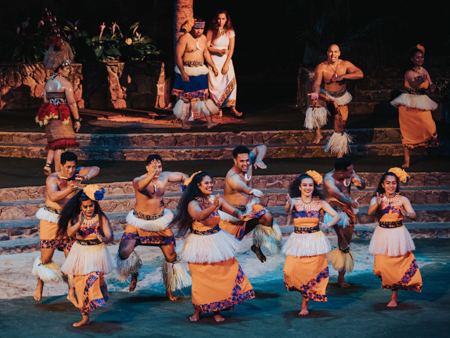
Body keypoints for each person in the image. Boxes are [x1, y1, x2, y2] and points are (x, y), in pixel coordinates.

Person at [171, 172, 255, 322]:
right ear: (198, 186)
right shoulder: (192, 203)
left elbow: (233, 210)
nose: (210, 185)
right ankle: (197, 310)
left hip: (217, 240)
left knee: (220, 276)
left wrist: (242, 216)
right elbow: (200, 216)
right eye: (206, 183)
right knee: (201, 279)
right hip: (198, 244)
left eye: (211, 182)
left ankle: (216, 311)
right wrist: (214, 207)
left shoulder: (216, 200)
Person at [115, 154, 190, 300]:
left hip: (160, 222)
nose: (157, 170)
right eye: (154, 167)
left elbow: (182, 175)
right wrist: (151, 174)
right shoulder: (138, 180)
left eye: (160, 166)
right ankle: (134, 273)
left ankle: (169, 291)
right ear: (147, 167)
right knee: (124, 252)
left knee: (172, 257)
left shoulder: (165, 177)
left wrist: (186, 181)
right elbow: (141, 186)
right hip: (138, 223)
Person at [32, 151, 100, 304]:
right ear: (61, 166)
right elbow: (53, 196)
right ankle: (40, 282)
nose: (70, 170)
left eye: (73, 167)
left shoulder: (77, 173)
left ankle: (71, 292)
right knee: (46, 258)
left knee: (72, 259)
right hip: (50, 220)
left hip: (68, 220)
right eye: (68, 167)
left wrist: (87, 177)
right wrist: (71, 188)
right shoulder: (52, 178)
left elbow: (96, 168)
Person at [283, 172, 340, 315]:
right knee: (290, 270)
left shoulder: (320, 203)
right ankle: (301, 293)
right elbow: (287, 209)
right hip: (298, 240)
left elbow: (337, 216)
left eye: (310, 185)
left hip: (315, 240)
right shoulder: (294, 201)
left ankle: (304, 305)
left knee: (311, 273)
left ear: (314, 187)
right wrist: (288, 203)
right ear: (300, 187)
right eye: (305, 185)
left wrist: (328, 224)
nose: (308, 188)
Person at [58, 185, 116, 327]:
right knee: (79, 284)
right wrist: (79, 223)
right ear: (80, 207)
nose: (89, 209)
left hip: (96, 252)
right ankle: (85, 317)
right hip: (80, 251)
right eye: (85, 207)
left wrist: (104, 237)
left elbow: (110, 235)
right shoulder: (76, 218)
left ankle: (102, 287)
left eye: (91, 206)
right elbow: (69, 234)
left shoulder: (100, 217)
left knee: (94, 276)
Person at [367, 168, 422, 307]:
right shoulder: (377, 198)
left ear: (397, 184)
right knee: (379, 267)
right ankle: (389, 283)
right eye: (388, 183)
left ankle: (394, 297)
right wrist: (377, 204)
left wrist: (408, 214)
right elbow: (369, 213)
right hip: (382, 233)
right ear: (383, 185)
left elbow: (414, 215)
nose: (391, 186)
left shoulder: (402, 199)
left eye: (394, 183)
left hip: (398, 233)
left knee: (396, 266)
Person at [219, 145, 282, 263]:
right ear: (235, 160)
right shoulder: (232, 177)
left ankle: (256, 246)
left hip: (249, 208)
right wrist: (251, 191)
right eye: (241, 161)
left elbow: (261, 147)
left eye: (247, 160)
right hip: (233, 214)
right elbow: (241, 186)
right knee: (226, 250)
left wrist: (258, 159)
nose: (245, 163)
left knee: (267, 218)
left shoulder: (249, 163)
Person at [36, 30, 81, 175]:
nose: (69, 71)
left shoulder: (48, 83)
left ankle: (48, 165)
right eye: (67, 69)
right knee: (61, 147)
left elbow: (45, 101)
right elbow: (72, 103)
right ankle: (57, 174)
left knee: (53, 145)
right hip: (62, 116)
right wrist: (77, 119)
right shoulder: (65, 84)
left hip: (49, 116)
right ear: (60, 69)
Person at [306, 44, 363, 157]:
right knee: (315, 103)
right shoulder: (321, 67)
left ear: (339, 53)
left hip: (341, 98)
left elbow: (360, 74)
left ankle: (339, 155)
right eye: (331, 52)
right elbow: (317, 83)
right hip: (327, 96)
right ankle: (318, 132)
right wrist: (316, 92)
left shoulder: (345, 64)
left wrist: (344, 76)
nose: (333, 54)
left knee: (340, 127)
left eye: (335, 52)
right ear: (327, 52)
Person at [390, 44, 438, 168]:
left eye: (422, 57)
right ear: (412, 59)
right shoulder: (409, 72)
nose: (420, 59)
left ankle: (422, 146)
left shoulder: (425, 71)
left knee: (429, 125)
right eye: (417, 57)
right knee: (408, 133)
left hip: (422, 102)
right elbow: (413, 83)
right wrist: (422, 79)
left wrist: (434, 87)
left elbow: (430, 85)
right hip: (409, 105)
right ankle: (407, 161)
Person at [323, 157, 365, 287]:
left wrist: (360, 182)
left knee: (345, 246)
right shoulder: (329, 179)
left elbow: (362, 185)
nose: (352, 173)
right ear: (341, 173)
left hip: (348, 211)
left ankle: (341, 277)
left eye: (353, 171)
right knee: (343, 240)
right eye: (350, 172)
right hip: (334, 210)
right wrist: (350, 202)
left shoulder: (350, 173)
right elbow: (336, 194)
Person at [172, 18, 220, 129]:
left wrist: (213, 66)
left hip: (200, 70)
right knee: (186, 97)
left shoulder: (203, 38)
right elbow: (178, 56)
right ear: (193, 27)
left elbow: (206, 52)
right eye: (197, 28)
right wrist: (183, 72)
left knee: (204, 96)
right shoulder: (184, 38)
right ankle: (184, 123)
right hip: (187, 70)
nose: (199, 31)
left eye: (202, 28)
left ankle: (210, 122)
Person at [206, 10, 242, 118]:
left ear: (226, 20)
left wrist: (226, 63)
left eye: (223, 19)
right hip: (213, 60)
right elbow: (207, 47)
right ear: (215, 19)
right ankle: (218, 109)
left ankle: (232, 108)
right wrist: (219, 51)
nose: (221, 21)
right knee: (215, 86)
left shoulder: (230, 31)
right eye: (219, 18)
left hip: (226, 60)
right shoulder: (211, 31)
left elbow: (231, 49)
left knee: (231, 82)